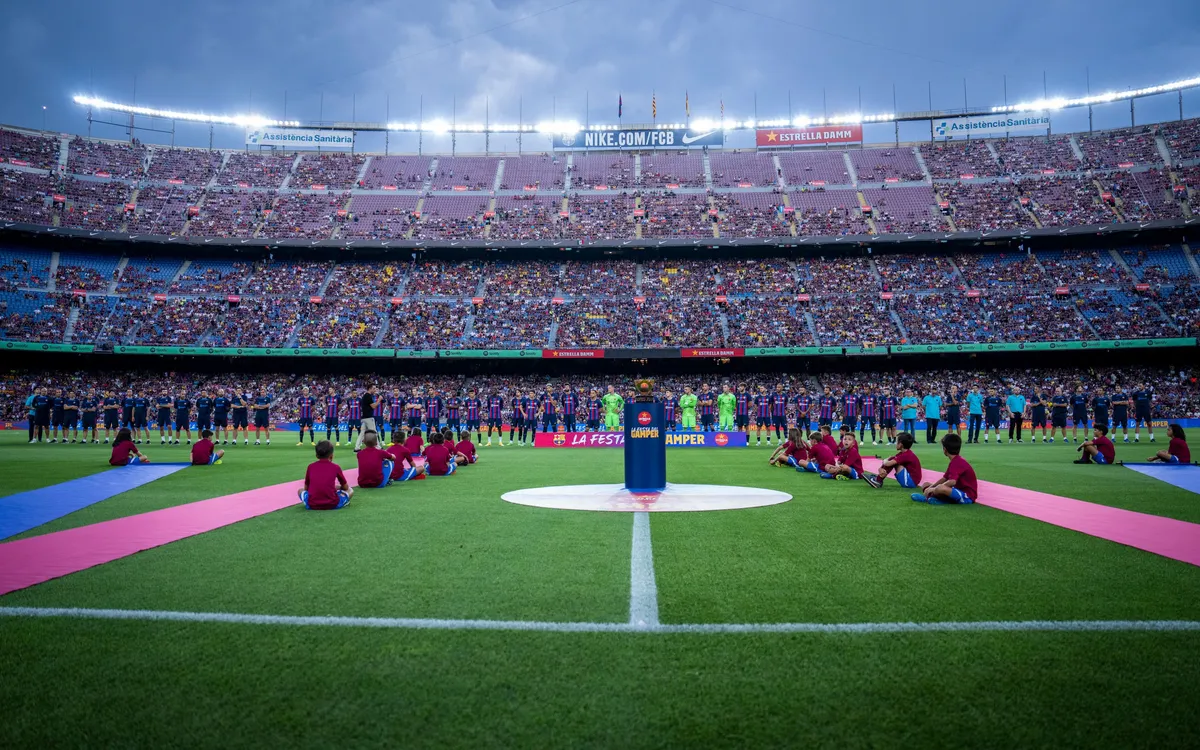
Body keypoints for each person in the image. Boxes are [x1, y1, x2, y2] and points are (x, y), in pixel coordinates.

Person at [912, 433, 977, 505]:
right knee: (926, 485)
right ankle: (939, 499)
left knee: (940, 488)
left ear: (945, 449)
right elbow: (944, 478)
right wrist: (930, 487)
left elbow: (952, 482)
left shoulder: (957, 462)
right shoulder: (956, 461)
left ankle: (927, 498)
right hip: (957, 491)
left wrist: (933, 489)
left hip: (967, 496)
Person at [298, 440, 352, 510]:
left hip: (312, 504)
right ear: (331, 456)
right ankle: (344, 501)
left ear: (316, 455)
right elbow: (345, 487)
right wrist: (338, 488)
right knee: (350, 490)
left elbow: (306, 488)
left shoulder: (310, 467)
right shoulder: (336, 467)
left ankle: (310, 502)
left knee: (300, 490)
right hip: (333, 504)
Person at [355, 386, 379, 451]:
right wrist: (379, 400)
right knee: (374, 432)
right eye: (373, 389)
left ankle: (357, 447)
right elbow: (373, 406)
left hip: (364, 417)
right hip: (369, 417)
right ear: (370, 388)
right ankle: (378, 447)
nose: (375, 390)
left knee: (362, 433)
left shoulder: (365, 395)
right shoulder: (368, 396)